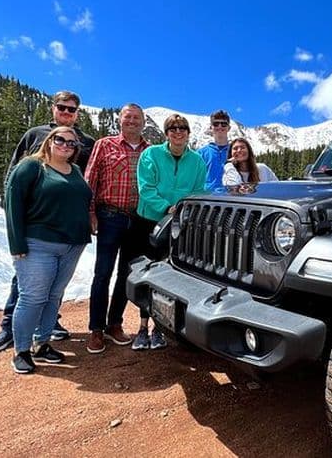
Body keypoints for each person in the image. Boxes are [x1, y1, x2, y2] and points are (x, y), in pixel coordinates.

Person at [0, 90, 96, 354]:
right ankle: (8, 328)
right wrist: (17, 225)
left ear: (78, 113)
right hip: (38, 229)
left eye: (72, 109)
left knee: (55, 286)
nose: (67, 113)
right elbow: (14, 177)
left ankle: (46, 328)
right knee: (27, 284)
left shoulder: (87, 143)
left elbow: (87, 181)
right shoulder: (34, 135)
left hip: (69, 233)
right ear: (53, 108)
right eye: (62, 107)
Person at [5, 126, 92, 374]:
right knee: (33, 297)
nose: (66, 145)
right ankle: (21, 350)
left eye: (72, 143)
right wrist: (16, 243)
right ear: (49, 140)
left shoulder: (74, 170)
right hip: (37, 243)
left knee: (54, 295)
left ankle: (41, 343)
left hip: (72, 244)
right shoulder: (32, 166)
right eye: (60, 140)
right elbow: (13, 202)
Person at [84, 104, 154, 354]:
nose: (132, 121)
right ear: (120, 120)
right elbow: (90, 180)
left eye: (137, 118)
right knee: (102, 273)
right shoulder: (104, 145)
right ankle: (95, 329)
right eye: (128, 117)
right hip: (109, 216)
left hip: (137, 221)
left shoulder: (151, 151)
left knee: (125, 274)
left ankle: (115, 324)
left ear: (143, 122)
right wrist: (90, 212)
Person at [134, 113, 207, 350]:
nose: (178, 132)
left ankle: (159, 329)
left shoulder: (196, 161)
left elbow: (199, 191)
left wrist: (183, 210)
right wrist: (168, 208)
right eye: (173, 128)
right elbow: (146, 188)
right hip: (151, 222)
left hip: (181, 226)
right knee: (147, 275)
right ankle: (142, 328)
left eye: (182, 128)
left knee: (171, 277)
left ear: (188, 133)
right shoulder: (151, 155)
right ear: (166, 133)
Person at [197, 110, 232, 192]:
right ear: (211, 127)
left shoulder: (235, 152)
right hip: (208, 198)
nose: (220, 127)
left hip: (231, 197)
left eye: (223, 124)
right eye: (216, 124)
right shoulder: (201, 153)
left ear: (229, 128)